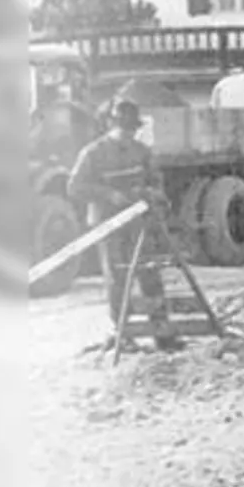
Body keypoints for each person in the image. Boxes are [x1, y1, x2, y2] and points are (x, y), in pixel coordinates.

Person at [67, 99, 178, 351]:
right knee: (117, 278)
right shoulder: (93, 153)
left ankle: (161, 331)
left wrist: (149, 193)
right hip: (109, 224)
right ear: (111, 125)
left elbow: (157, 183)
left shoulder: (142, 152)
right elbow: (74, 187)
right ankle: (123, 333)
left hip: (139, 223)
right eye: (124, 129)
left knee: (150, 274)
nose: (128, 134)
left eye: (132, 130)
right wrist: (108, 195)